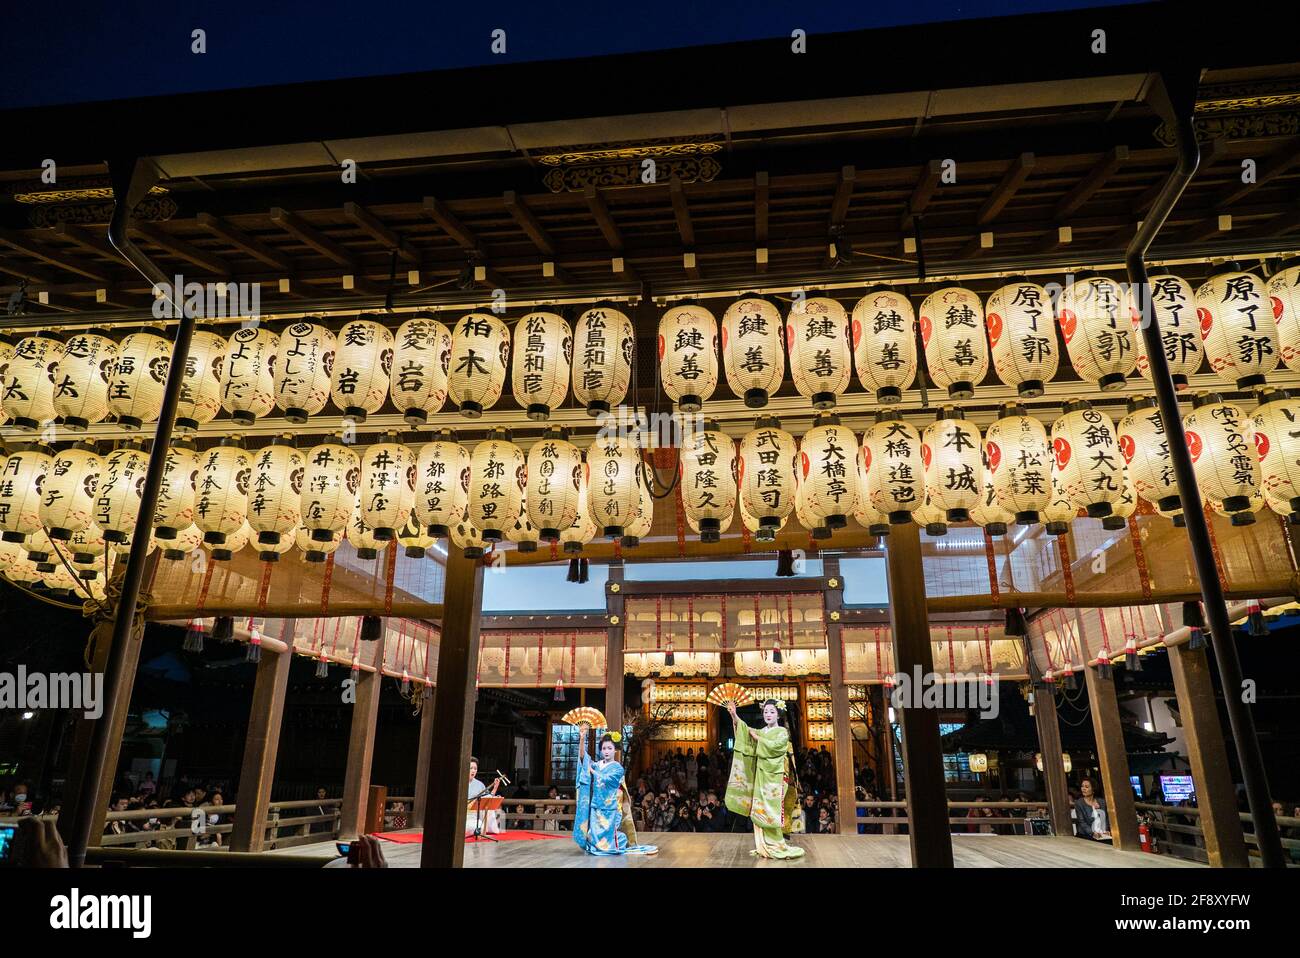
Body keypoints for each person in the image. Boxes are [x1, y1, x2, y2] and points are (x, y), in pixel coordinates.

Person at [725, 699, 805, 860]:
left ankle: (777, 844)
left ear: (778, 714)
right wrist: (734, 714)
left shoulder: (782, 732)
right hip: (762, 777)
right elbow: (745, 731)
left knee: (771, 810)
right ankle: (765, 846)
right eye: (766, 711)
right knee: (761, 809)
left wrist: (758, 739)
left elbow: (776, 748)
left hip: (775, 779)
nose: (768, 714)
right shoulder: (763, 731)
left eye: (772, 712)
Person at [572, 726, 657, 856]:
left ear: (615, 750)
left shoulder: (617, 768)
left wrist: (593, 772)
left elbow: (609, 780)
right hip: (596, 805)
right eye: (604, 748)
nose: (606, 751)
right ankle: (598, 846)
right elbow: (584, 759)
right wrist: (582, 738)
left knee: (609, 838)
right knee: (593, 836)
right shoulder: (597, 764)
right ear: (600, 750)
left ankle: (613, 845)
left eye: (610, 748)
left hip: (611, 807)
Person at [465, 757, 504, 838]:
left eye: (475, 768)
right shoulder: (461, 782)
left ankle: (487, 830)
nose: (473, 771)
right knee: (474, 827)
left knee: (487, 812)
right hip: (464, 814)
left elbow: (487, 798)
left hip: (475, 815)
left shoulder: (479, 784)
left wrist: (495, 788)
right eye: (471, 768)